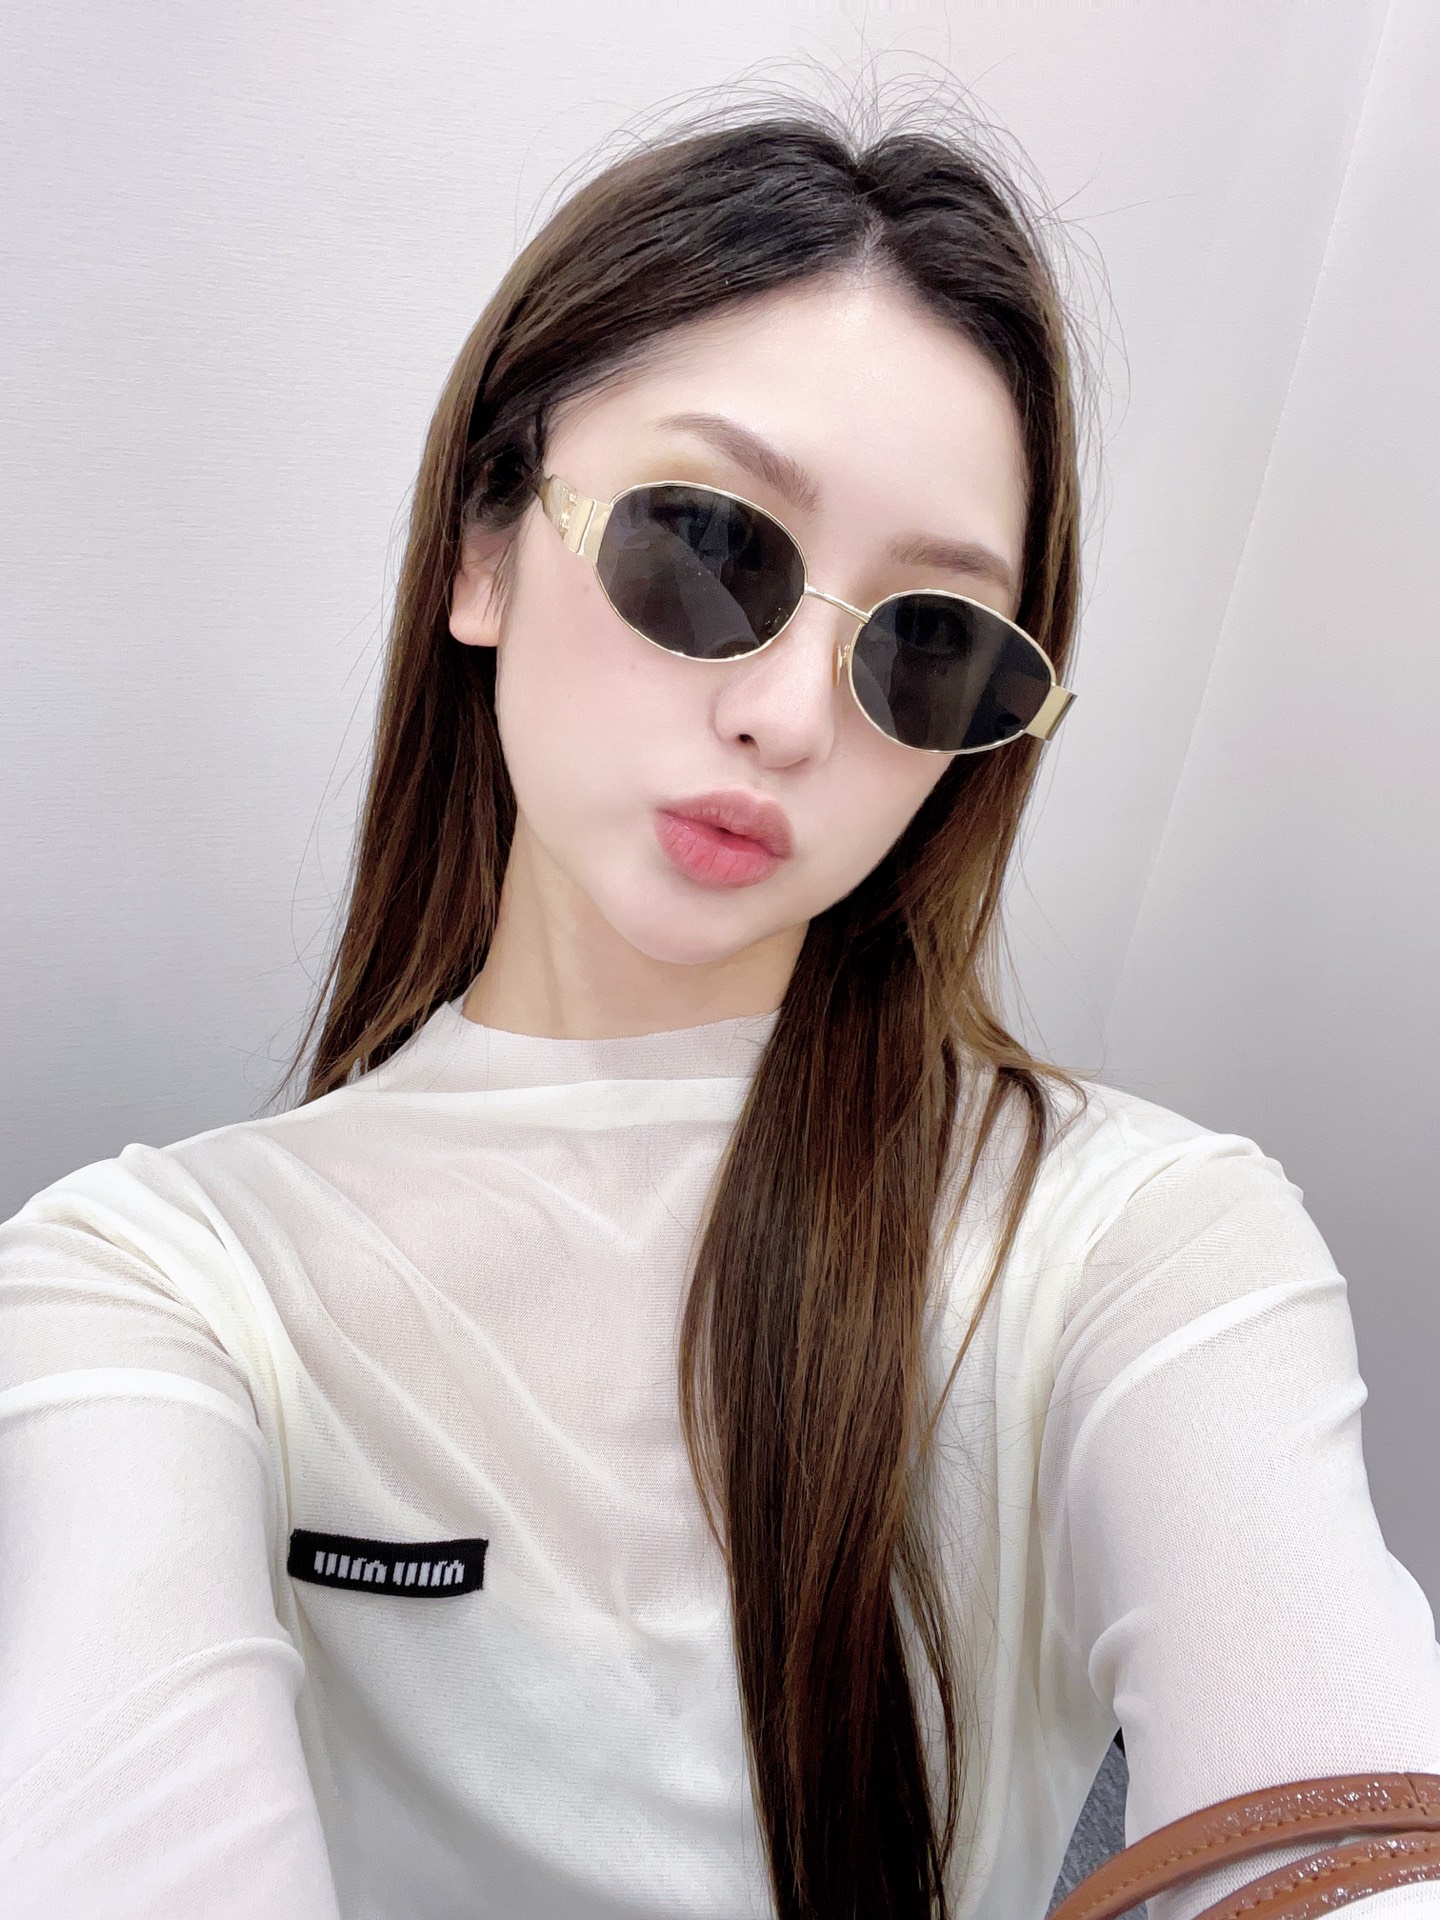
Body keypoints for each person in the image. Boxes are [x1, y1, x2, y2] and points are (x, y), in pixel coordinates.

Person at [1, 98, 1436, 1920]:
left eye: (927, 640)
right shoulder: (156, 1279)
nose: (788, 716)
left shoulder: (1135, 1238)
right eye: (710, 545)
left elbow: (1345, 1839)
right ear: (483, 550)